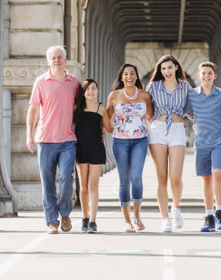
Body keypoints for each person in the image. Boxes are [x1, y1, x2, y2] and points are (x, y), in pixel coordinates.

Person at [26, 46, 80, 234]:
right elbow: (33, 110)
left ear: (65, 60)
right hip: (45, 139)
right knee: (47, 182)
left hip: (68, 139)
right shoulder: (40, 82)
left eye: (59, 57)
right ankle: (52, 221)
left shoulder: (74, 82)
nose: (56, 60)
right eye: (53, 58)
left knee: (66, 177)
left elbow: (82, 108)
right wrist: (29, 135)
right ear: (48, 61)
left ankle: (64, 213)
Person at [146, 55, 191, 232]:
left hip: (177, 130)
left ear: (176, 67)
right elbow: (146, 108)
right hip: (157, 130)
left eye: (170, 68)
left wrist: (199, 122)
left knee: (176, 177)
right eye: (163, 69)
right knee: (162, 178)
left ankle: (176, 207)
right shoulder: (153, 86)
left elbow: (192, 108)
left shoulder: (185, 87)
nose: (167, 71)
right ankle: (165, 218)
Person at [186, 61, 221, 232]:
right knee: (206, 178)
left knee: (217, 173)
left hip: (219, 140)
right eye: (203, 73)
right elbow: (189, 112)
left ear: (214, 76)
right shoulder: (192, 95)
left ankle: (220, 212)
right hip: (201, 142)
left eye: (209, 73)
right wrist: (196, 122)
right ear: (199, 76)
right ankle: (209, 216)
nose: (206, 76)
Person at [107, 64, 153, 232]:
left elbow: (151, 117)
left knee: (136, 177)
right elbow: (107, 118)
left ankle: (137, 217)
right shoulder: (114, 95)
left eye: (132, 73)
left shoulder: (145, 95)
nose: (129, 76)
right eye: (126, 74)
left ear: (136, 76)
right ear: (121, 77)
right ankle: (127, 221)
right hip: (120, 142)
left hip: (140, 140)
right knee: (124, 180)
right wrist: (111, 131)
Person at [74, 79, 113, 234]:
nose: (90, 91)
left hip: (96, 148)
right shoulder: (76, 108)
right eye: (87, 89)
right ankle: (85, 217)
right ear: (83, 92)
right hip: (80, 149)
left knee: (93, 185)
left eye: (93, 88)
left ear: (97, 90)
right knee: (83, 187)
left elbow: (109, 129)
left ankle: (93, 221)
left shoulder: (101, 108)